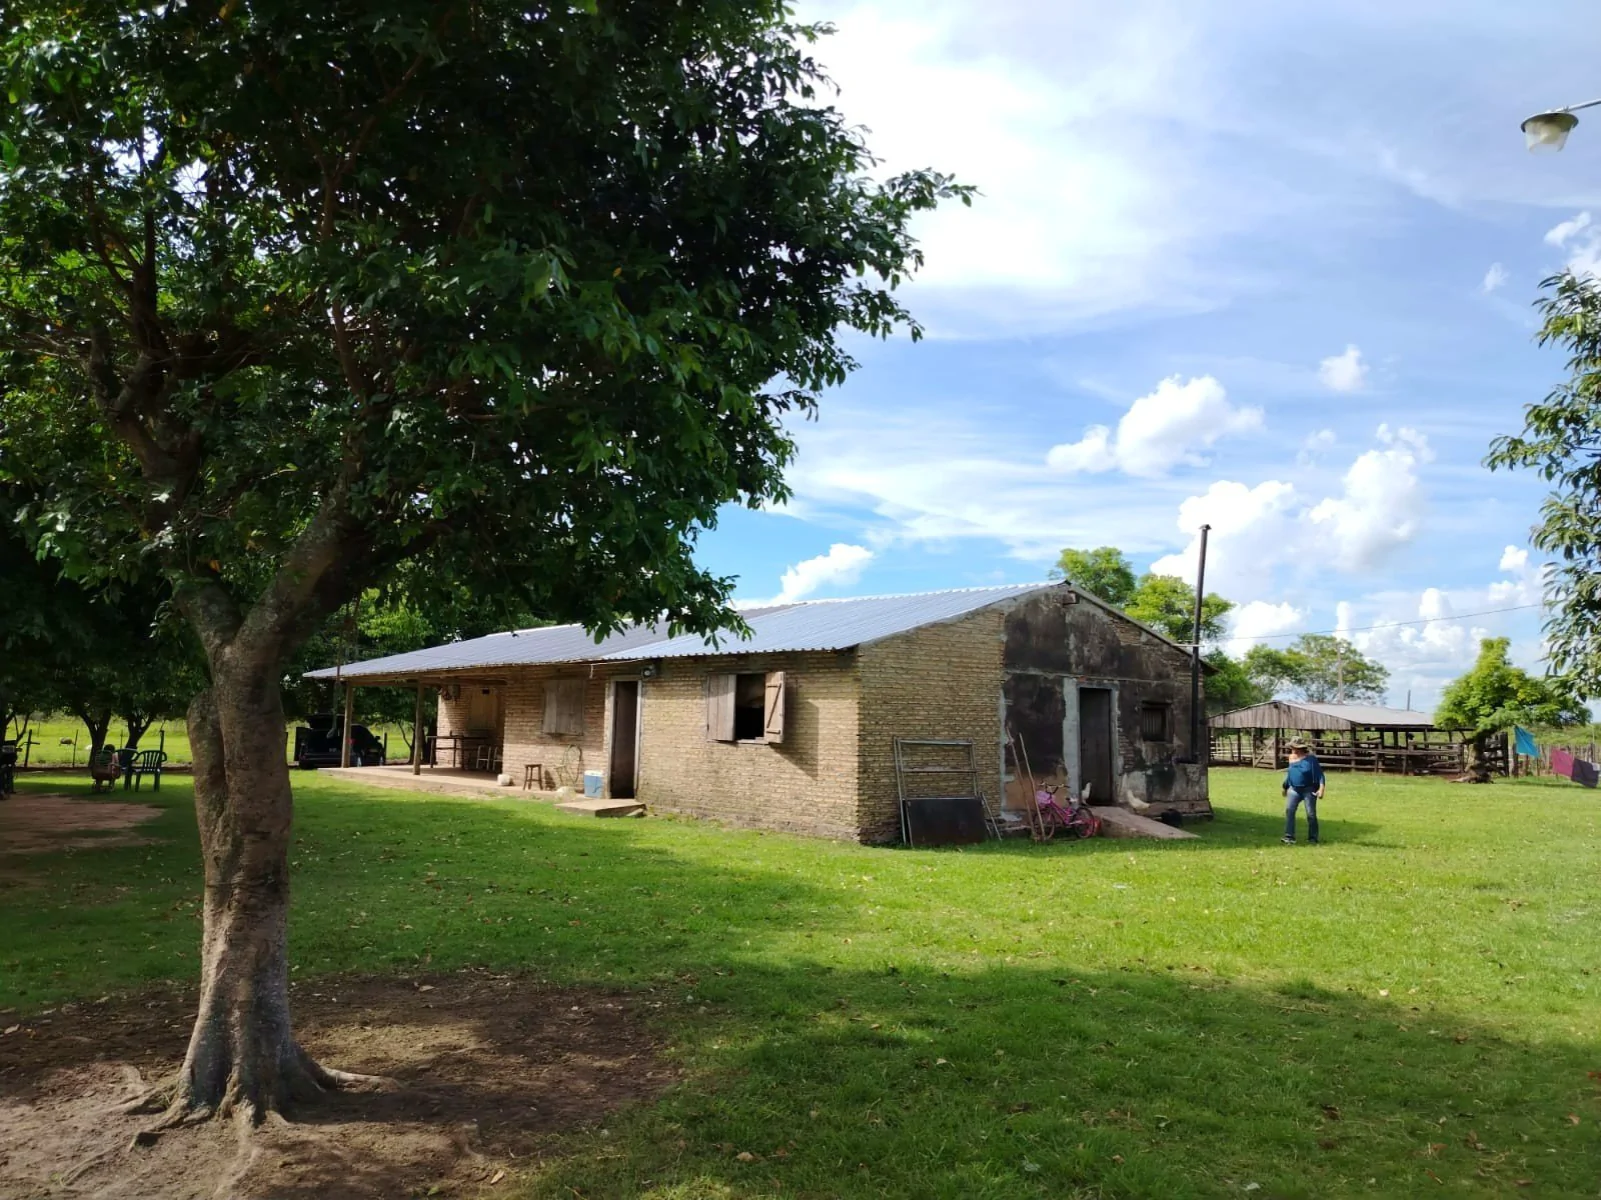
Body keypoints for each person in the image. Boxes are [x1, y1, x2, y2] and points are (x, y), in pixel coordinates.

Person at [1282, 737, 1324, 845]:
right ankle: (1289, 837)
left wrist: (1321, 789)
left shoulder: (1311, 759)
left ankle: (1313, 838)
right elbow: (1290, 774)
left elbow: (1320, 775)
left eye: (1294, 747)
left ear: (1300, 748)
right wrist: (1285, 787)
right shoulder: (1291, 757)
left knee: (1311, 814)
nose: (1292, 749)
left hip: (1308, 789)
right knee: (1289, 811)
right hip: (1293, 789)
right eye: (1291, 747)